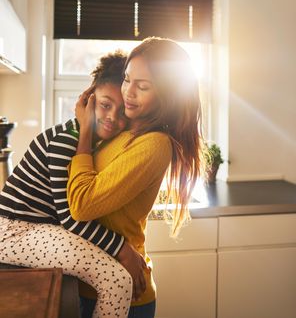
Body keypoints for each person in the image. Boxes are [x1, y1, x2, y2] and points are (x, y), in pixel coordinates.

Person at [0, 50, 147, 318]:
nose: (112, 117)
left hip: (38, 228)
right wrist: (123, 249)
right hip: (15, 232)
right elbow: (71, 217)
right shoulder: (65, 141)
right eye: (105, 104)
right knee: (117, 280)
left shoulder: (93, 141)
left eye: (122, 111)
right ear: (89, 98)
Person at [67, 36, 202, 318]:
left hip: (122, 295)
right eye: (127, 79)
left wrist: (84, 132)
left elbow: (81, 204)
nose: (128, 92)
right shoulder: (126, 127)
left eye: (142, 86)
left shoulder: (155, 144)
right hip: (93, 283)